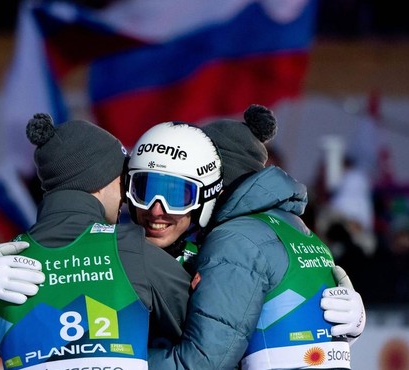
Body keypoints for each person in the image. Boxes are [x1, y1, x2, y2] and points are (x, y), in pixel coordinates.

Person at [0, 115, 365, 368]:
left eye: (178, 194)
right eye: (143, 188)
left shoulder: (226, 248)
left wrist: (326, 314)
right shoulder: (111, 246)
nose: (157, 209)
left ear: (210, 195)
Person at [0, 113, 191, 369]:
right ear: (98, 181)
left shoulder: (3, 268)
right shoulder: (132, 251)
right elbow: (206, 330)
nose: (126, 192)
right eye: (122, 177)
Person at [148, 104, 365, 369]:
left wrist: (123, 361)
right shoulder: (295, 229)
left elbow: (203, 363)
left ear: (213, 175)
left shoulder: (236, 239)